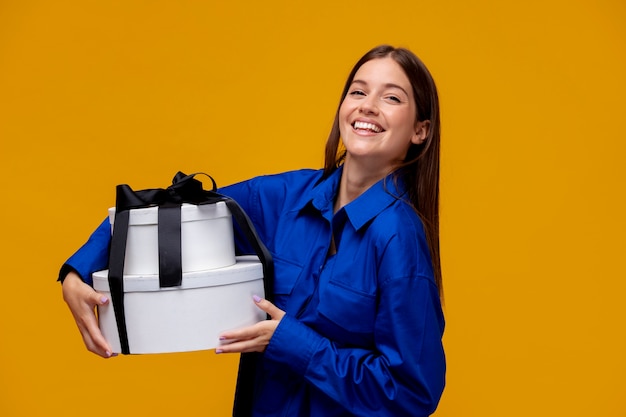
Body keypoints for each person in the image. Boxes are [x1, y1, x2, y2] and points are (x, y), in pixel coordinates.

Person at [59, 44, 446, 417]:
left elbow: (411, 392)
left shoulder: (399, 237)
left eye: (392, 98)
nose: (368, 105)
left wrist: (295, 345)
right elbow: (175, 207)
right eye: (358, 91)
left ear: (420, 131)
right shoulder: (284, 199)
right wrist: (80, 269)